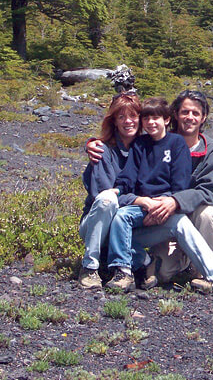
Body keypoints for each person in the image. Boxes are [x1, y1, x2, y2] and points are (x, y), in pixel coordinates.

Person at [88, 90, 213, 297]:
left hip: (181, 211)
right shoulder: (141, 144)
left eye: (195, 113)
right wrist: (136, 199)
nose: (190, 117)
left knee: (198, 217)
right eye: (185, 112)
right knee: (160, 269)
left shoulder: (208, 150)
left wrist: (172, 202)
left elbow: (206, 191)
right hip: (146, 212)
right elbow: (128, 178)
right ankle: (133, 266)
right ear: (176, 115)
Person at [105, 97, 191, 291]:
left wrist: (168, 202)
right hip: (142, 205)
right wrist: (120, 191)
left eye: (156, 118)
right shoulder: (140, 144)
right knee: (119, 220)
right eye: (147, 118)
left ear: (167, 120)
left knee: (121, 221)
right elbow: (128, 177)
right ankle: (130, 269)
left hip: (166, 205)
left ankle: (209, 273)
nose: (151, 123)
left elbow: (181, 184)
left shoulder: (176, 143)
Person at [78, 92, 141, 289]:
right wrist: (139, 200)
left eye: (133, 116)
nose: (128, 121)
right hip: (99, 222)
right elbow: (103, 195)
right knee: (108, 199)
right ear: (113, 121)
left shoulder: (146, 150)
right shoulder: (102, 150)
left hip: (128, 223)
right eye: (121, 117)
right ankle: (89, 267)